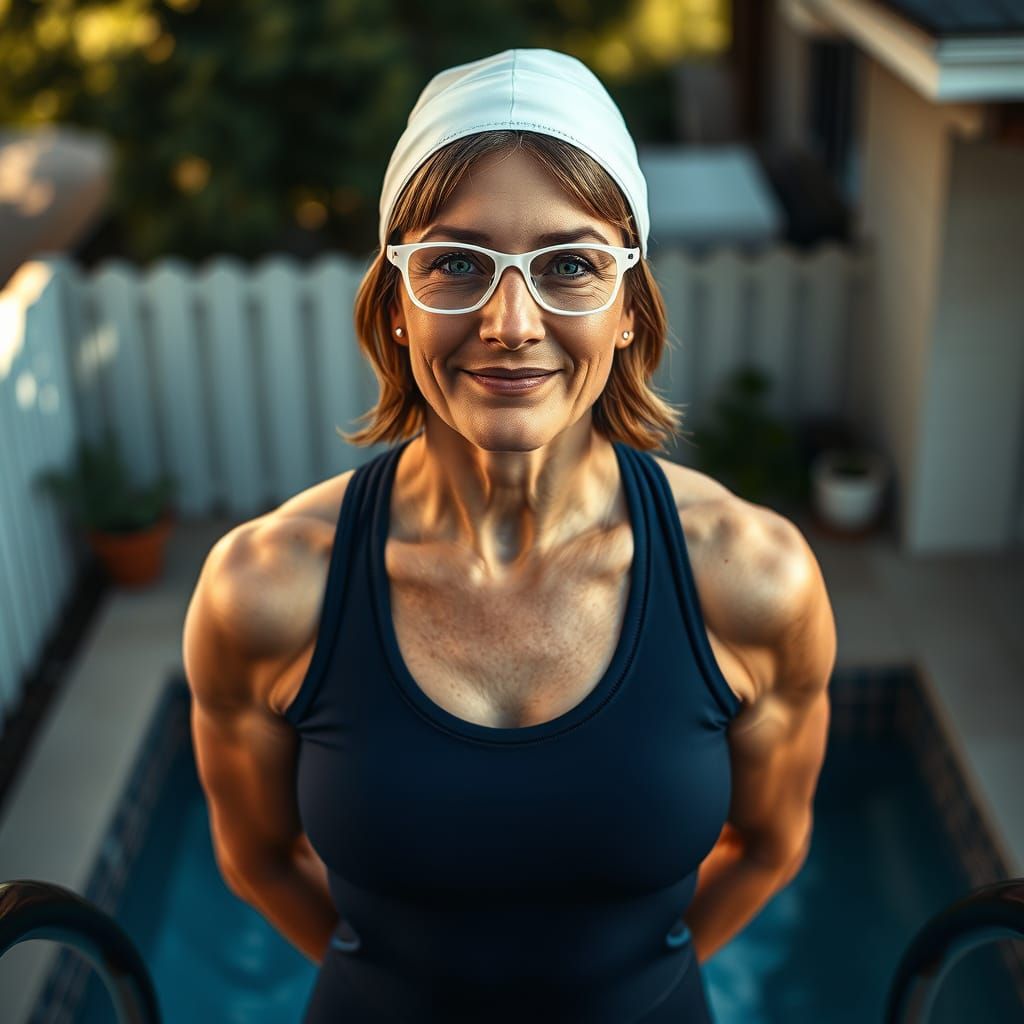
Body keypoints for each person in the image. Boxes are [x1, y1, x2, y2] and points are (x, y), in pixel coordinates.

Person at [182, 48, 836, 1023]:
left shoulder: (751, 579)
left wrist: (624, 992)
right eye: (455, 262)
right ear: (397, 304)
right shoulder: (267, 588)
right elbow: (255, 859)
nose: (509, 320)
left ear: (627, 309)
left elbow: (771, 848)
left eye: (569, 264)